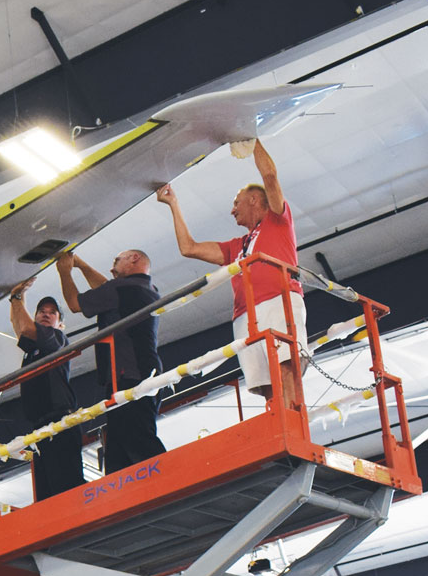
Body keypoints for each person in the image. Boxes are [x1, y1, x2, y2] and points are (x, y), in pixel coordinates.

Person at [157, 138, 304, 404]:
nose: (232, 210)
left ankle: (292, 429)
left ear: (254, 199)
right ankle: (278, 432)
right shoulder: (237, 246)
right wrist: (173, 204)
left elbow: (269, 176)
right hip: (244, 315)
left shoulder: (277, 220)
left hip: (278, 300)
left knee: (284, 367)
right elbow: (188, 248)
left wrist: (252, 138)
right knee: (264, 385)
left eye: (237, 202)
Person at [56, 248, 165, 471]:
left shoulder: (122, 288)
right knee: (119, 444)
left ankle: (171, 480)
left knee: (137, 438)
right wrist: (82, 265)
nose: (111, 267)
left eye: (117, 260)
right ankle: (124, 491)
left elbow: (76, 304)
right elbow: (107, 288)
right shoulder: (147, 288)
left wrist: (64, 272)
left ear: (134, 258)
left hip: (127, 374)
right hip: (143, 372)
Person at [8, 283, 84, 502]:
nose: (46, 315)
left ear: (60, 323)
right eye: (42, 311)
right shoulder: (35, 348)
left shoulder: (57, 339)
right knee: (48, 490)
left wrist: (16, 296)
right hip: (42, 426)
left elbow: (26, 328)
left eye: (52, 313)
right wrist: (17, 298)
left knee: (65, 486)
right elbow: (19, 326)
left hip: (60, 421)